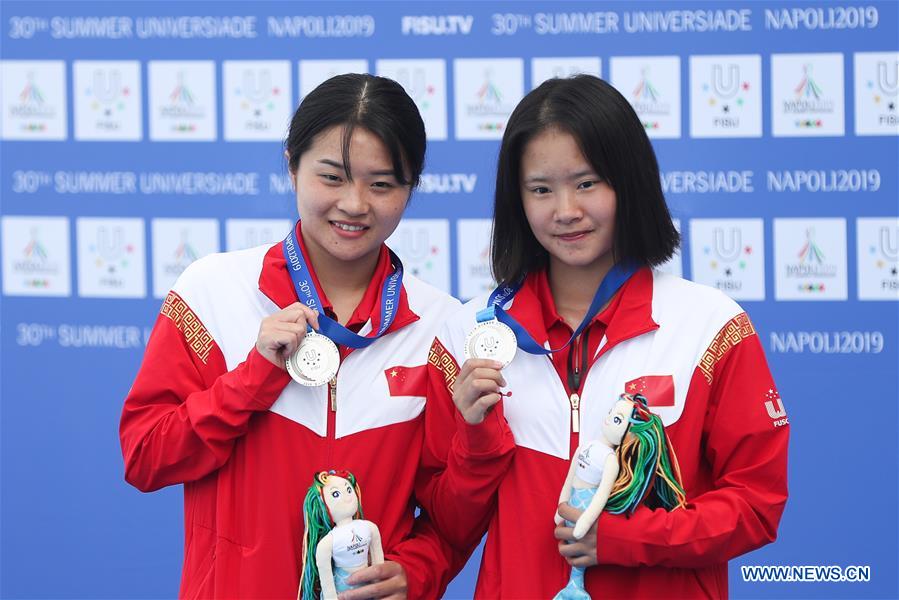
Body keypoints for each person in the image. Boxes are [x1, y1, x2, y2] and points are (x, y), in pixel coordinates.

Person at [420, 74, 790, 598]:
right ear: (516, 200)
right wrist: (477, 440)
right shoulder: (469, 336)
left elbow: (756, 504)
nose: (566, 210)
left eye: (587, 183)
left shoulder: (710, 327)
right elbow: (447, 526)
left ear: (628, 182)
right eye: (541, 189)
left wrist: (625, 538)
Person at [119, 73, 464, 599]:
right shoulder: (212, 292)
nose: (355, 204)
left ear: (410, 187)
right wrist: (254, 378)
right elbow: (145, 456)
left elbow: (452, 514)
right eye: (332, 177)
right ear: (291, 164)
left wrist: (417, 572)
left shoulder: (441, 329)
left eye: (382, 184)